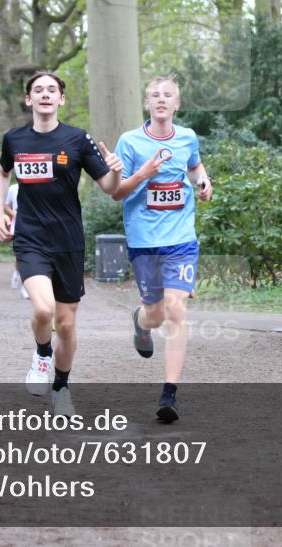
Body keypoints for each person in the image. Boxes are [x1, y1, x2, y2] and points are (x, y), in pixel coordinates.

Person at [0, 71, 123, 416]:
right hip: (30, 238)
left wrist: (117, 169)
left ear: (61, 99)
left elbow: (110, 189)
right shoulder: (14, 139)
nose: (45, 94)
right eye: (38, 90)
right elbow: (2, 172)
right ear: (29, 99)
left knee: (66, 323)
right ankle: (41, 353)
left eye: (52, 90)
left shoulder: (78, 139)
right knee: (43, 309)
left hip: (68, 241)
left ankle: (62, 386)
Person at [111, 76, 212, 422]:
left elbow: (195, 165)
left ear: (176, 104)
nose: (161, 99)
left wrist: (203, 181)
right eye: (154, 95)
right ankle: (140, 322)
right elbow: (117, 191)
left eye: (167, 95)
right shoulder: (129, 142)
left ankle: (169, 393)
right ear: (147, 103)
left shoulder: (187, 137)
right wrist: (143, 173)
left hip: (181, 239)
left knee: (176, 309)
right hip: (144, 242)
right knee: (154, 315)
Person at [3, 182, 28, 299]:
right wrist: (15, 213)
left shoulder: (37, 185)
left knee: (30, 257)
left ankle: (25, 288)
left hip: (34, 226)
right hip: (17, 227)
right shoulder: (13, 188)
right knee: (21, 256)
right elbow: (6, 205)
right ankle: (16, 272)